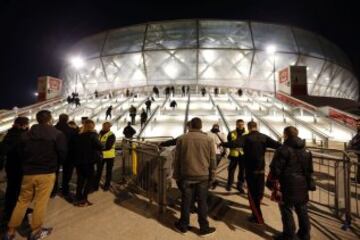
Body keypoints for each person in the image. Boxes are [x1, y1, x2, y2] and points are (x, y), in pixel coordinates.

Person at [4, 110, 67, 240]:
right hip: (47, 172)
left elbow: (21, 153)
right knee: (40, 202)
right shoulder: (57, 134)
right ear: (50, 119)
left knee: (22, 201)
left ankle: (10, 230)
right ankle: (36, 230)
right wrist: (56, 165)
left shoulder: (26, 135)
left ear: (37, 119)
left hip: (28, 172)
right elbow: (62, 153)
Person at [223, 121, 281, 224]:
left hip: (250, 170)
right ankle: (257, 211)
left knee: (252, 194)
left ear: (248, 128)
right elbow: (277, 145)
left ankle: (258, 218)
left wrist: (222, 143)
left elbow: (233, 143)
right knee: (259, 192)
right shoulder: (263, 137)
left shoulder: (246, 137)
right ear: (256, 127)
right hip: (261, 169)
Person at [173, 117, 216, 236]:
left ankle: (183, 226)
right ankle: (204, 228)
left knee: (186, 201)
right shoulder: (208, 139)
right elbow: (212, 159)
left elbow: (177, 159)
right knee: (202, 202)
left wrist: (176, 174)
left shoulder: (182, 139)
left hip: (186, 175)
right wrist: (213, 175)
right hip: (203, 176)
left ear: (191, 125)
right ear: (201, 126)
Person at [269, 126, 312, 240]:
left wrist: (270, 183)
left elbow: (275, 169)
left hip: (286, 184)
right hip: (302, 184)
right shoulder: (306, 150)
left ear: (285, 135)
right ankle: (305, 235)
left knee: (286, 210)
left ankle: (289, 236)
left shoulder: (283, 149)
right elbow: (309, 170)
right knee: (302, 210)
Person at [0, 117, 30, 223]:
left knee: (11, 188)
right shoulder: (23, 136)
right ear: (24, 125)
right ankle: (15, 212)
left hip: (11, 166)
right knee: (19, 190)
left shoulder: (9, 135)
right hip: (20, 167)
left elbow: (2, 150)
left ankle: (9, 209)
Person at [74, 119, 103, 207]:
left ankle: (78, 197)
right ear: (92, 126)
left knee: (80, 179)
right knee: (90, 178)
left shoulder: (79, 136)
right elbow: (100, 146)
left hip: (79, 161)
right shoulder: (93, 135)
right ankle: (84, 199)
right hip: (88, 161)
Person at [55, 114, 79, 198]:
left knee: (55, 173)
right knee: (67, 173)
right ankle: (65, 190)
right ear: (67, 119)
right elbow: (76, 142)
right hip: (69, 155)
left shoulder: (54, 129)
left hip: (56, 154)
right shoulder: (72, 130)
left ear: (59, 118)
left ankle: (53, 190)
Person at [225, 119, 247, 193]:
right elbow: (229, 143)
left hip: (243, 155)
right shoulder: (231, 133)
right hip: (234, 155)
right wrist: (234, 147)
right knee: (231, 170)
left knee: (242, 171)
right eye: (239, 124)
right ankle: (229, 184)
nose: (240, 125)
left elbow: (249, 145)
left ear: (244, 125)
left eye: (242, 124)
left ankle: (239, 185)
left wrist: (242, 148)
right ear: (236, 125)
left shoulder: (247, 133)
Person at [95, 122, 116, 191]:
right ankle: (95, 185)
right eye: (104, 126)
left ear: (109, 127)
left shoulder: (111, 135)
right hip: (101, 155)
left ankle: (106, 185)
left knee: (108, 171)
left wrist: (98, 147)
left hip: (109, 156)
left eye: (107, 126)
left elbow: (108, 146)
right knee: (98, 171)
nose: (105, 127)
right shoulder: (99, 134)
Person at [207, 123, 227, 189]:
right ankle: (212, 181)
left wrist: (225, 152)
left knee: (213, 169)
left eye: (216, 127)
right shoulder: (208, 133)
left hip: (218, 154)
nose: (215, 128)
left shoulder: (221, 134)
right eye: (214, 127)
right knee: (212, 169)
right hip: (210, 153)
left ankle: (212, 182)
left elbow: (225, 143)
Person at [348, 119, 360, 183]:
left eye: (359, 124)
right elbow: (354, 140)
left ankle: (358, 179)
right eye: (357, 124)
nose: (357, 125)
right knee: (359, 165)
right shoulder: (358, 132)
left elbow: (355, 142)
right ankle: (358, 179)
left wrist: (351, 146)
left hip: (358, 151)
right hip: (358, 152)